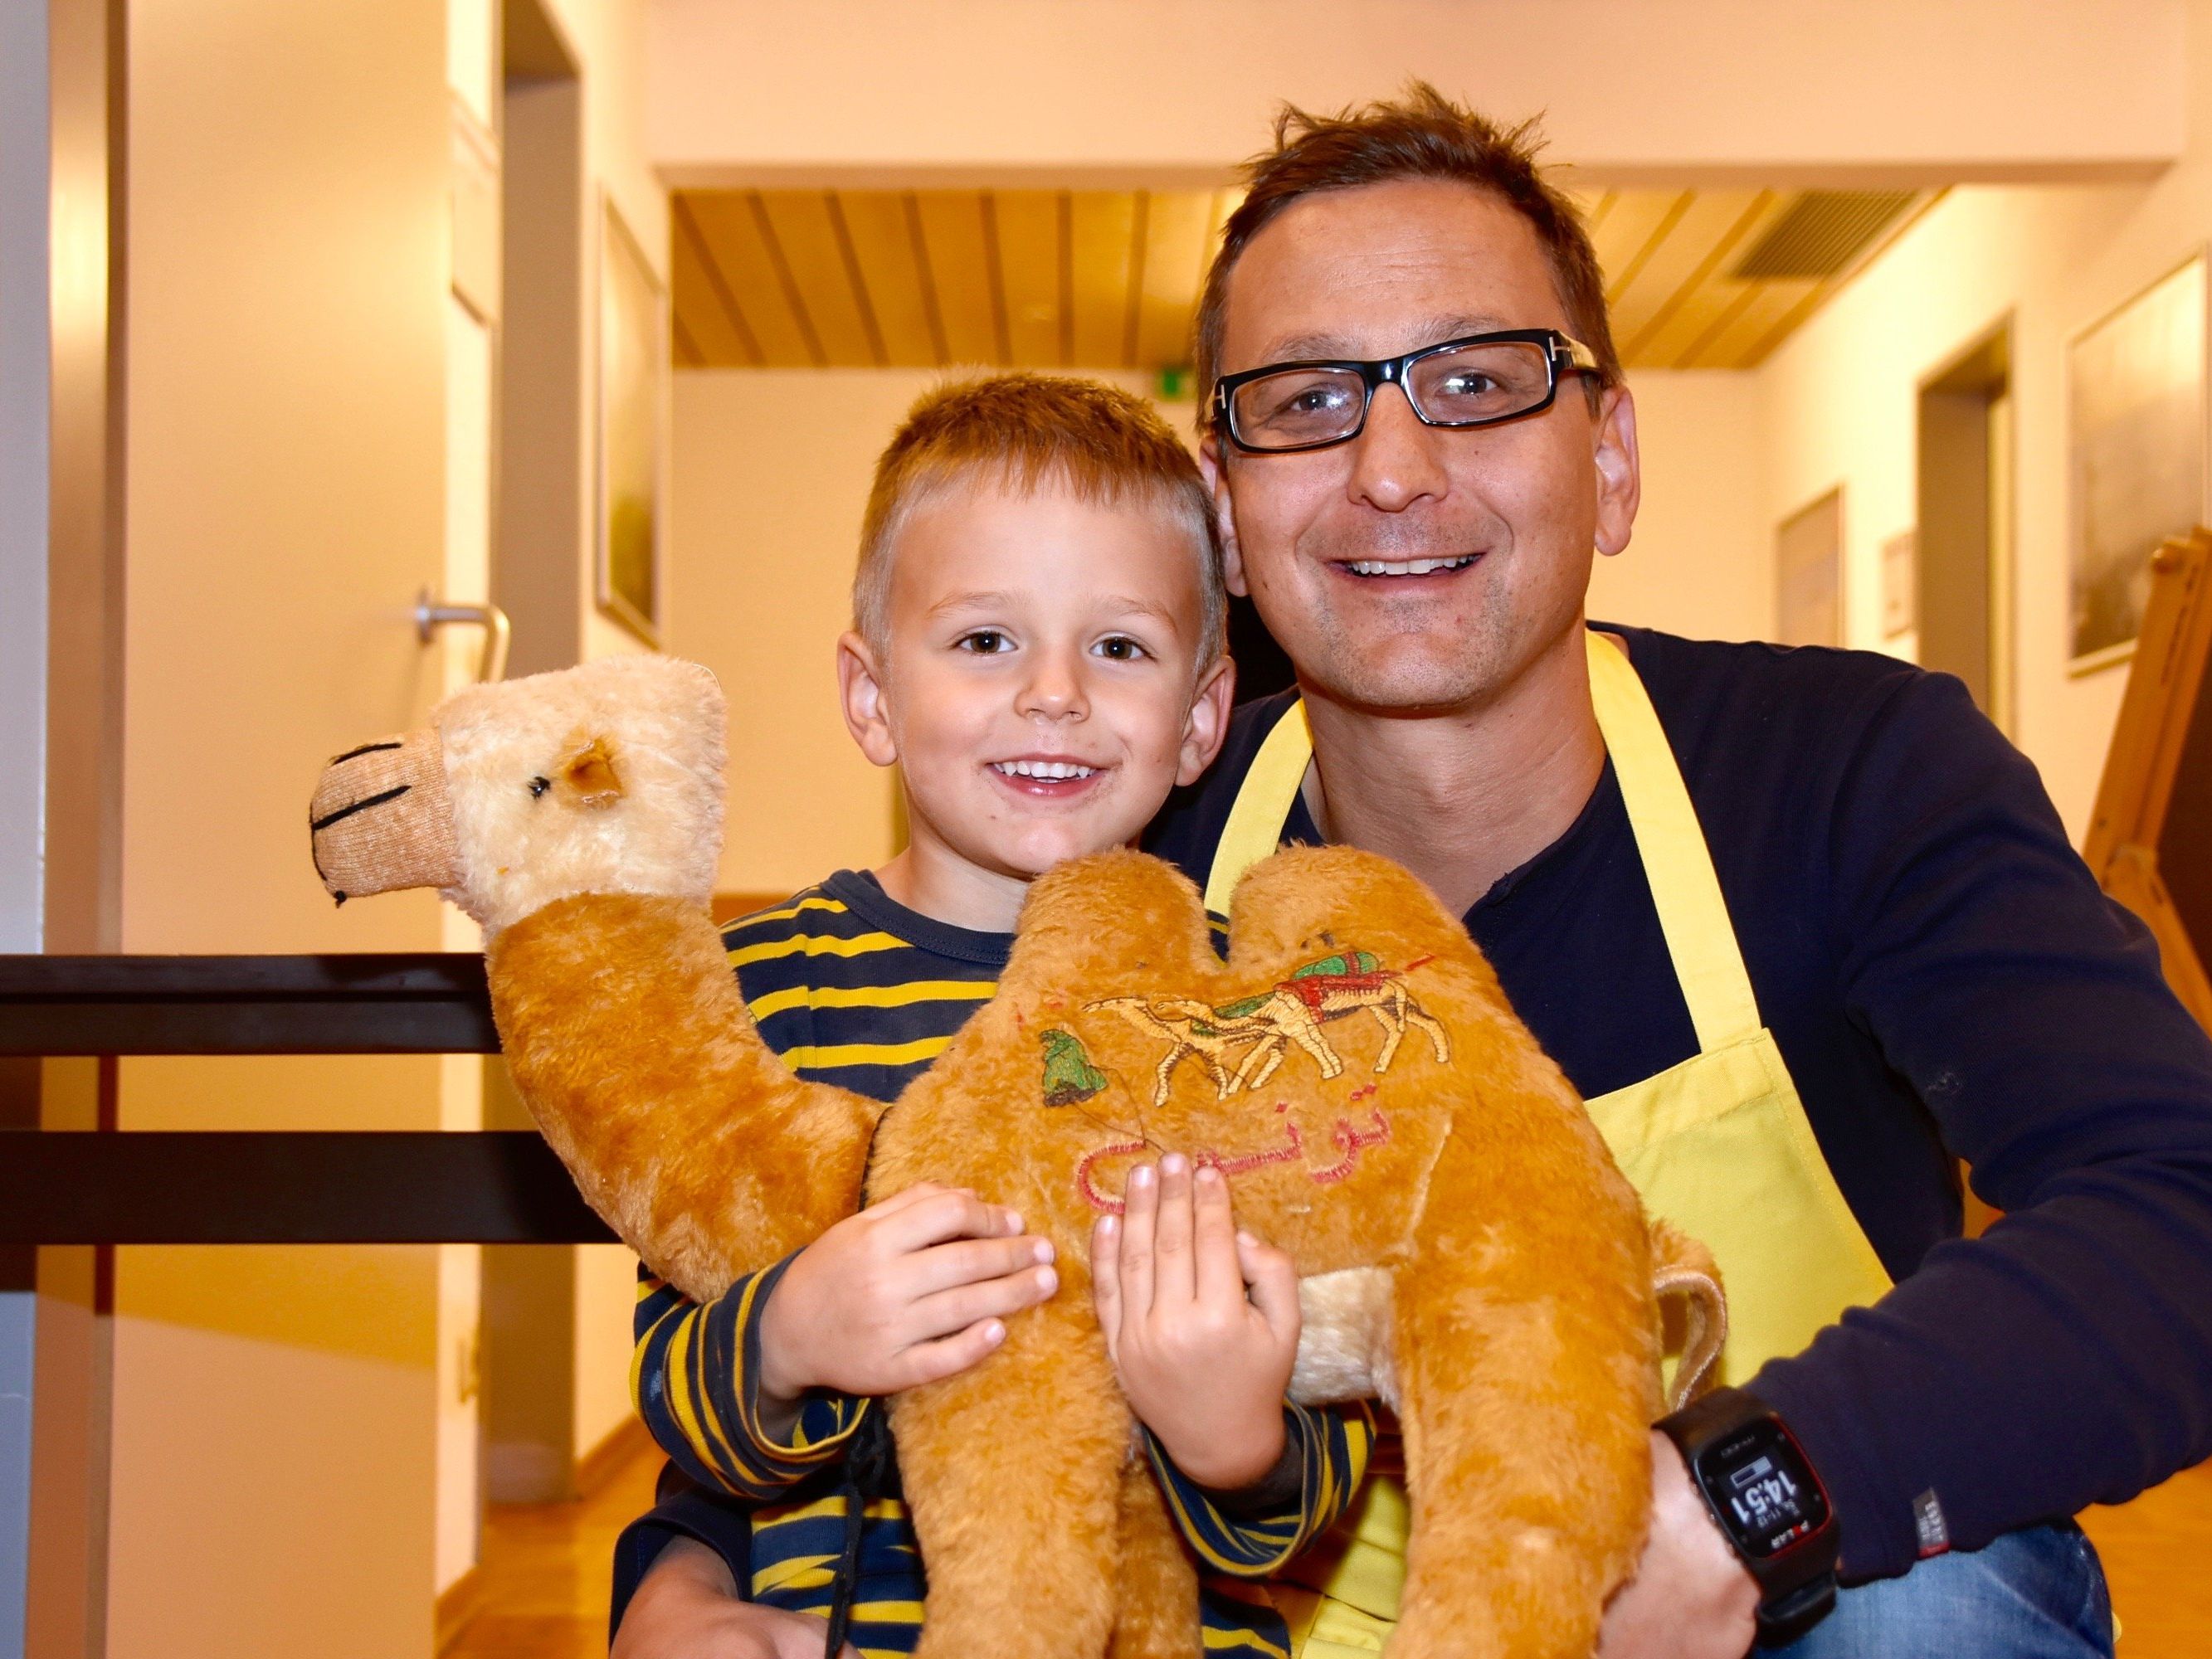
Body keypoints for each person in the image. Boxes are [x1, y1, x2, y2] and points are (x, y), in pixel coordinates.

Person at [621, 85, 2212, 1659]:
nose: (1389, 464)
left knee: (1925, 1615)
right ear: (1227, 514)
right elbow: (902, 1220)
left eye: (1477, 380)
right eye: (1308, 399)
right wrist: (678, 1570)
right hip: (1288, 1626)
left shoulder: (1846, 772)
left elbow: (2179, 1204)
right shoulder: (1125, 856)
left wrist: (1734, 1504)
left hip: (1759, 1595)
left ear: (1611, 456)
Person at [608, 372, 1376, 1659]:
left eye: (1119, 647)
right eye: (985, 640)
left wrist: (1237, 1437)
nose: (1056, 693)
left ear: (1197, 719)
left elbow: (1332, 1430)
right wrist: (791, 1334)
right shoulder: (757, 992)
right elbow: (679, 1387)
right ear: (870, 696)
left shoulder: (1254, 1016)